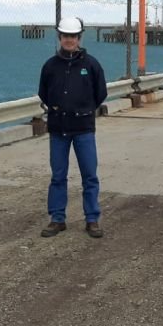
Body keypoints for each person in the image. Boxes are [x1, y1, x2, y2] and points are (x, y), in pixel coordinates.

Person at [37, 17, 108, 238]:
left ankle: (92, 219)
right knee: (58, 176)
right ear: (60, 37)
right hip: (58, 128)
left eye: (73, 36)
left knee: (89, 175)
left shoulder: (91, 64)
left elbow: (100, 93)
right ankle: (57, 219)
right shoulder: (50, 66)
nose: (69, 40)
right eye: (66, 36)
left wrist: (83, 109)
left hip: (84, 128)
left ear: (79, 38)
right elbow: (44, 93)